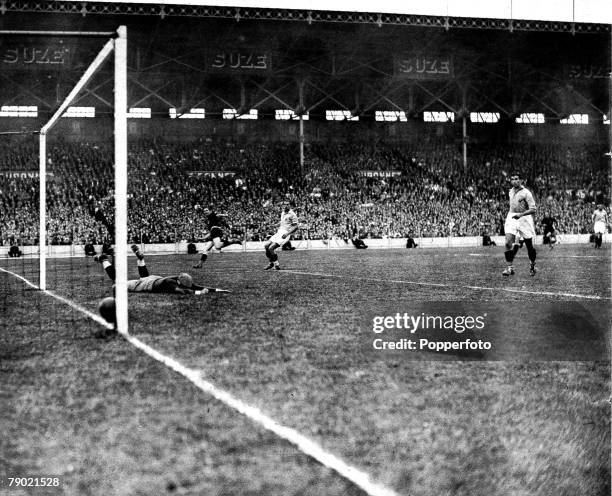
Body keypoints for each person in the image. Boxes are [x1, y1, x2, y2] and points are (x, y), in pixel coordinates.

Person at [95, 245, 227, 294]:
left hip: (152, 278)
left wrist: (218, 290)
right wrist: (199, 293)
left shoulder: (175, 278)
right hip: (144, 284)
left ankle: (140, 260)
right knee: (117, 281)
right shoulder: (170, 284)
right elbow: (183, 291)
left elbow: (196, 286)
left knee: (143, 276)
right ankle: (104, 260)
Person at [502, 172, 537, 276]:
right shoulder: (510, 191)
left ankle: (532, 265)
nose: (514, 181)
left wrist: (521, 215)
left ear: (521, 180)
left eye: (517, 179)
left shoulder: (527, 193)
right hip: (512, 216)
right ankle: (509, 267)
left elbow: (533, 209)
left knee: (529, 246)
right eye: (512, 179)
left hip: (524, 218)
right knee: (508, 242)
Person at [264, 201, 299, 270]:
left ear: (289, 206)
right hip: (279, 232)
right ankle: (271, 263)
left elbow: (296, 227)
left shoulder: (292, 214)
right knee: (266, 246)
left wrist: (287, 234)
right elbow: (283, 222)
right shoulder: (283, 213)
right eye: (283, 205)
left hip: (285, 233)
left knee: (271, 248)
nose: (284, 207)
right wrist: (275, 225)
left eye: (286, 205)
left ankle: (276, 264)